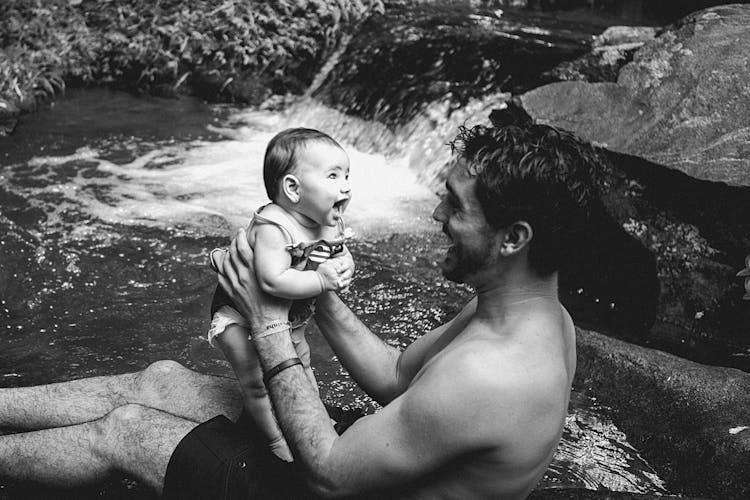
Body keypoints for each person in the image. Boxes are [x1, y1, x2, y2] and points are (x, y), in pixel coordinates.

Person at [0, 114, 604, 499]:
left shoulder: (494, 373)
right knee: (161, 381)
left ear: (514, 237)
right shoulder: (529, 315)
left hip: (337, 480)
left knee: (128, 432)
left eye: (455, 207)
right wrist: (310, 282)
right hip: (369, 467)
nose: (437, 217)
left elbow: (330, 475)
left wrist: (265, 323)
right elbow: (397, 377)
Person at [206, 127, 354, 462]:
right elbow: (272, 281)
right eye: (333, 176)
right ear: (292, 188)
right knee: (257, 380)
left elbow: (338, 252)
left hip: (286, 317)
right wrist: (321, 282)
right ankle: (274, 439)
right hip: (239, 317)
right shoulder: (274, 226)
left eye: (347, 175)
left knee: (302, 368)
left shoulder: (328, 220)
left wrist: (344, 264)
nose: (345, 185)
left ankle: (313, 424)